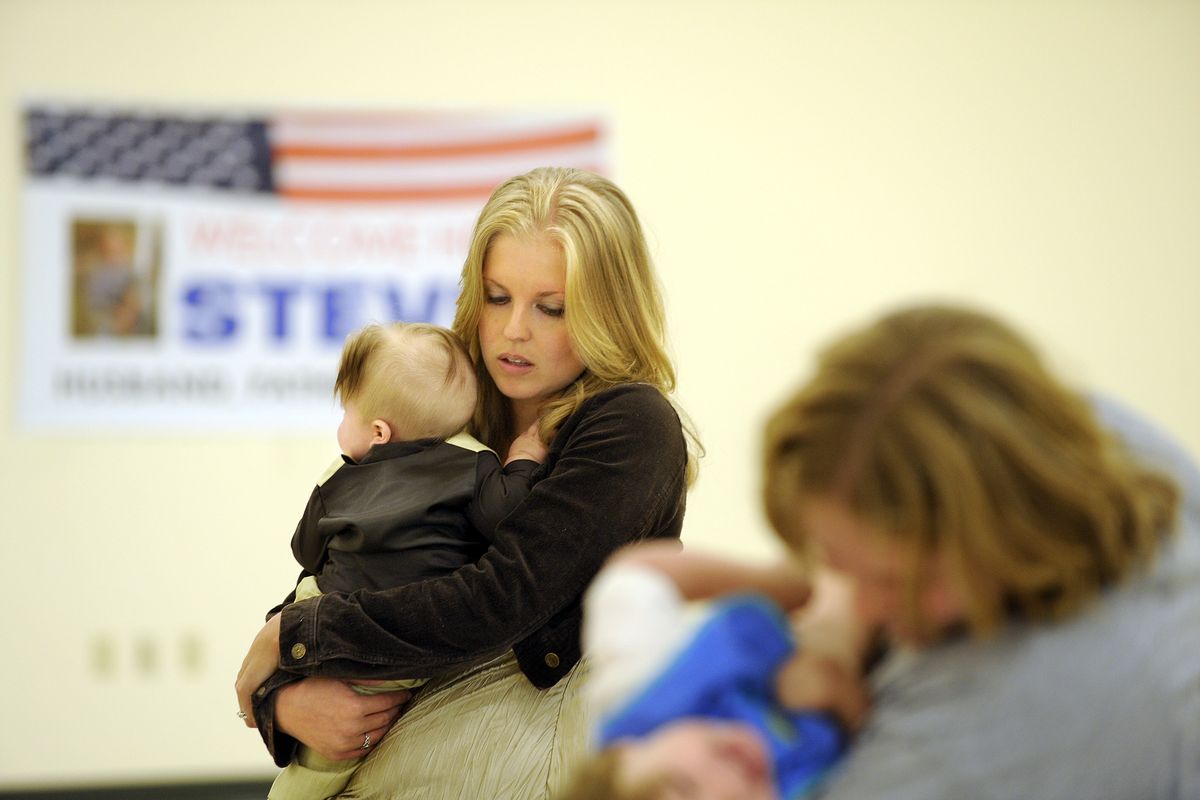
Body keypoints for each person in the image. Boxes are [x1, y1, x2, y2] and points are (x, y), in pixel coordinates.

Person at [235, 167, 698, 799]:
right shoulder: (448, 403)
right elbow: (343, 564)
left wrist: (297, 639)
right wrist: (285, 702)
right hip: (390, 762)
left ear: (606, 311)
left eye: (552, 308)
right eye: (497, 297)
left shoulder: (630, 423)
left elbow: (501, 597)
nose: (514, 330)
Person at [759, 304, 1199, 799]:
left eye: (907, 582)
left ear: (1010, 534)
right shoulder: (1077, 439)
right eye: (839, 562)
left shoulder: (1026, 715)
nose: (868, 604)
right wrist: (837, 633)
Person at [267, 321, 547, 800]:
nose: (340, 427)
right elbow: (509, 513)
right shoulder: (474, 461)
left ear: (379, 431)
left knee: (316, 770)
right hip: (420, 642)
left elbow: (305, 551)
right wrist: (523, 460)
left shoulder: (338, 476)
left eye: (346, 413)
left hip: (341, 633)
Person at [559, 543, 850, 800]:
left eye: (683, 785)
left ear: (621, 755)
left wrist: (776, 586)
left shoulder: (636, 690)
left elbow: (632, 576)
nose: (729, 783)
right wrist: (846, 700)